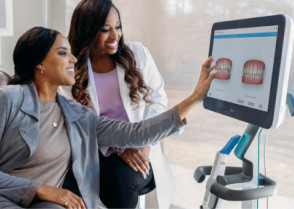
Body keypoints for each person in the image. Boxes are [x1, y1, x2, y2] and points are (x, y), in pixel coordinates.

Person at [0, 26, 216, 209]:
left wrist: (194, 99)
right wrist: (39, 189)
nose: (74, 59)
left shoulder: (77, 114)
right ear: (40, 63)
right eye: (63, 53)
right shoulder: (8, 99)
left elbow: (135, 133)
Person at [59, 0, 181, 208]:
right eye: (105, 30)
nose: (115, 36)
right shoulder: (71, 70)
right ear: (86, 31)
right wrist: (119, 149)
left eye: (118, 27)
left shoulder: (138, 54)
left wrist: (144, 144)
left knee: (120, 180)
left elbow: (159, 102)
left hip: (143, 151)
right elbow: (81, 124)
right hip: (99, 150)